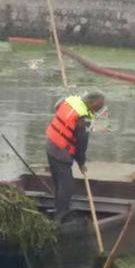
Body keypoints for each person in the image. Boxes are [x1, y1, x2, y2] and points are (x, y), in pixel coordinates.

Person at [45, 90, 105, 222]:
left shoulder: (71, 100)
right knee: (66, 185)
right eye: (99, 106)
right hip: (60, 151)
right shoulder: (83, 118)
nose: (99, 109)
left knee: (58, 182)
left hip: (50, 145)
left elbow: (57, 106)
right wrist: (81, 163)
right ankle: (60, 216)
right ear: (91, 102)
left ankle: (58, 209)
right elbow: (81, 143)